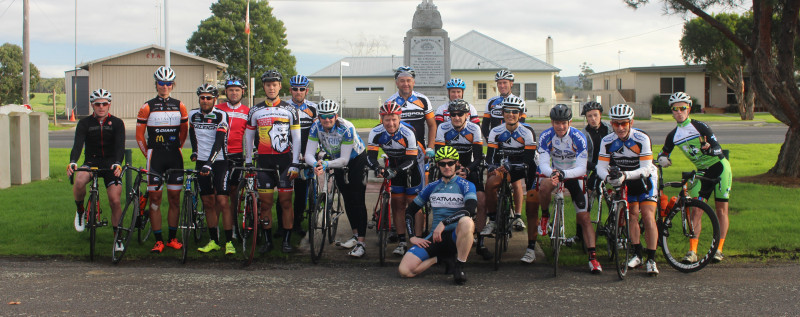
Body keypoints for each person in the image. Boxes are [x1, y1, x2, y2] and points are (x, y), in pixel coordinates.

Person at [658, 92, 732, 263]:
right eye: (675, 109)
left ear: (689, 109)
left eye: (682, 107)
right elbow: (663, 152)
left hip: (719, 167)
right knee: (696, 210)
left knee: (721, 209)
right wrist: (663, 158)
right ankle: (692, 252)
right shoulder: (673, 135)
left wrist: (708, 150)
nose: (679, 111)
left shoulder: (701, 127)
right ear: (672, 112)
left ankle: (719, 249)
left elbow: (718, 150)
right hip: (701, 171)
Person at [398, 146, 476, 285]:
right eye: (442, 164)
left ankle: (459, 267)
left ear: (456, 163)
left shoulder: (467, 185)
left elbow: (470, 209)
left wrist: (444, 223)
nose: (447, 167)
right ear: (438, 165)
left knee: (467, 222)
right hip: (435, 237)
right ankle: (441, 259)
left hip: (456, 236)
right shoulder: (431, 187)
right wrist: (413, 237)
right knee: (405, 271)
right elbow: (410, 211)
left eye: (450, 163)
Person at [538, 104, 602, 274]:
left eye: (564, 123)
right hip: (554, 172)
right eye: (557, 123)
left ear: (570, 122)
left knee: (584, 217)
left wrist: (564, 173)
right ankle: (544, 216)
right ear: (552, 122)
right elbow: (543, 163)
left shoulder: (578, 137)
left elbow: (582, 168)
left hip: (574, 175)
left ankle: (593, 258)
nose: (560, 127)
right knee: (543, 185)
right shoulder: (546, 136)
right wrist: (553, 173)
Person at [596, 104, 659, 276]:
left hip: (645, 179)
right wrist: (609, 178)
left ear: (631, 122)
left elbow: (646, 168)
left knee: (647, 215)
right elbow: (600, 167)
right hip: (626, 179)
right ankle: (638, 254)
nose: (621, 128)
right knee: (632, 216)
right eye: (616, 124)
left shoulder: (641, 138)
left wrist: (624, 175)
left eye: (624, 123)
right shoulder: (607, 141)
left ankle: (651, 260)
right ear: (611, 124)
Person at [244, 69, 301, 254]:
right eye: (268, 85)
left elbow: (297, 138)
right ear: (264, 86)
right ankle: (267, 241)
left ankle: (286, 241)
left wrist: (294, 163)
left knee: (286, 202)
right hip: (264, 163)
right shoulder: (255, 110)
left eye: (274, 85)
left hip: (285, 162)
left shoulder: (290, 109)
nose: (271, 88)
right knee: (266, 203)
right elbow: (249, 136)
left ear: (279, 87)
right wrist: (247, 160)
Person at [304, 100, 368, 257]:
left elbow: (345, 160)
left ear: (336, 116)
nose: (327, 120)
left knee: (357, 198)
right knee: (347, 198)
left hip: (355, 158)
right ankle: (354, 236)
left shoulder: (346, 127)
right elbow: (308, 154)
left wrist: (326, 164)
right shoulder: (315, 127)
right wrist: (316, 164)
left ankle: (361, 242)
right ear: (319, 117)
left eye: (330, 116)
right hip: (334, 158)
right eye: (323, 117)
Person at [136, 66, 189, 253]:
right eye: (161, 83)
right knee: (155, 200)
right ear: (156, 84)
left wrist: (177, 148)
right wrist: (148, 154)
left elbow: (184, 133)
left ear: (172, 85)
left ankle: (172, 238)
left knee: (175, 199)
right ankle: (158, 240)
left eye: (168, 83)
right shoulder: (147, 106)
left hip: (175, 156)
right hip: (155, 158)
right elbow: (139, 137)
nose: (164, 86)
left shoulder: (180, 105)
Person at [68, 89, 125, 252]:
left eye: (104, 104)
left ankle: (118, 237)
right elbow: (78, 145)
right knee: (79, 181)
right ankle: (80, 211)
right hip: (91, 161)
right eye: (98, 104)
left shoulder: (117, 123)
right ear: (92, 105)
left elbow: (120, 146)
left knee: (115, 200)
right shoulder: (85, 123)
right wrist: (73, 162)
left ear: (109, 105)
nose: (101, 107)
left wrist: (118, 163)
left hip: (110, 163)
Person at [483, 96, 539, 263]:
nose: (511, 114)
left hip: (526, 168)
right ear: (502, 113)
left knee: (532, 206)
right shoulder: (496, 131)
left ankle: (531, 248)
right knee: (491, 182)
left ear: (520, 114)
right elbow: (491, 159)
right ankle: (493, 220)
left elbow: (529, 162)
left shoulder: (526, 132)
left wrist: (511, 167)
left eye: (515, 112)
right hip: (506, 167)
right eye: (507, 111)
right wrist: (493, 168)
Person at [366, 100, 426, 256]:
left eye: (394, 119)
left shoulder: (408, 132)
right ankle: (402, 241)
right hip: (394, 163)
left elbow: (411, 161)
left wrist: (395, 171)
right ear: (382, 119)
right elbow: (370, 157)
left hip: (413, 163)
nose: (390, 123)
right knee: (397, 203)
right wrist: (377, 168)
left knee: (414, 203)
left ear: (399, 118)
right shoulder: (376, 132)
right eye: (387, 119)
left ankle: (417, 240)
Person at [433, 99, 487, 259]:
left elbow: (477, 157)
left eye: (460, 114)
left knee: (482, 200)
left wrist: (467, 169)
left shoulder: (474, 128)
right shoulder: (443, 127)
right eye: (453, 114)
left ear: (467, 115)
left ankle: (481, 239)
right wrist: (454, 171)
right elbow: (439, 155)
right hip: (448, 167)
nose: (456, 117)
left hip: (469, 166)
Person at [480, 69, 528, 231]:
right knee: (492, 179)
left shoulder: (519, 101)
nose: (502, 86)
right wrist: (492, 141)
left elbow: (524, 125)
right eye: (499, 83)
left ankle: (518, 217)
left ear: (511, 84)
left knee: (515, 182)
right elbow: (485, 125)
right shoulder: (491, 102)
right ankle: (492, 218)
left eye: (505, 83)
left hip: (514, 146)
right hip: (497, 143)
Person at [189, 84, 234, 255]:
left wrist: (210, 162)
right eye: (202, 97)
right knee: (208, 202)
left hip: (219, 161)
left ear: (215, 99)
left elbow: (218, 142)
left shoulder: (221, 115)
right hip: (201, 162)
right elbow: (192, 133)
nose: (205, 100)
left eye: (208, 97)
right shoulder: (193, 115)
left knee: (222, 201)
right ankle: (214, 240)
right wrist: (195, 151)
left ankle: (229, 241)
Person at [563, 101, 613, 247]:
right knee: (584, 202)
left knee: (614, 200)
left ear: (600, 115)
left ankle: (616, 231)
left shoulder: (610, 130)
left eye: (595, 115)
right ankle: (580, 235)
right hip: (591, 168)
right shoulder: (583, 134)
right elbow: (581, 157)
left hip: (610, 167)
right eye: (589, 116)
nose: (593, 119)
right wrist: (596, 167)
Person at [275, 74, 318, 238]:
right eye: (295, 89)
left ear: (307, 90)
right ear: (290, 90)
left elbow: (316, 132)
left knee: (301, 192)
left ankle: (298, 223)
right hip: (286, 154)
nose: (298, 92)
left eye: (301, 89)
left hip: (305, 155)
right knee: (283, 192)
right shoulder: (283, 107)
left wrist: (314, 152)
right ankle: (281, 226)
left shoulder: (313, 108)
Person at [215, 77, 249, 238]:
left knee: (234, 192)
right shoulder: (217, 109)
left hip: (236, 155)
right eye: (231, 90)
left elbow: (251, 135)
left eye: (237, 90)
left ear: (242, 92)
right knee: (218, 193)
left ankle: (234, 225)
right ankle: (215, 228)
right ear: (226, 92)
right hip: (219, 155)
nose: (234, 93)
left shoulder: (247, 111)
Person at [386, 66, 436, 159]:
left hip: (420, 149)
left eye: (408, 80)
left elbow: (432, 125)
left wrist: (430, 147)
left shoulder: (423, 100)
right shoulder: (390, 102)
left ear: (413, 82)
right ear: (396, 83)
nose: (406, 84)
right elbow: (385, 128)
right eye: (402, 81)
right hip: (398, 150)